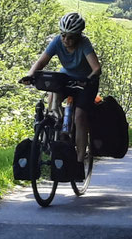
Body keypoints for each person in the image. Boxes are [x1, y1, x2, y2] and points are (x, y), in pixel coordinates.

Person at [22, 12, 101, 171]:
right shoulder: (57, 42)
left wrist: (89, 78)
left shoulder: (84, 44)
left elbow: (96, 68)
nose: (66, 40)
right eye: (63, 35)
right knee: (52, 95)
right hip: (65, 78)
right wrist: (30, 76)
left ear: (78, 36)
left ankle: (79, 162)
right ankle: (59, 126)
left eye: (71, 37)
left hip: (85, 82)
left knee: (79, 116)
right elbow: (41, 61)